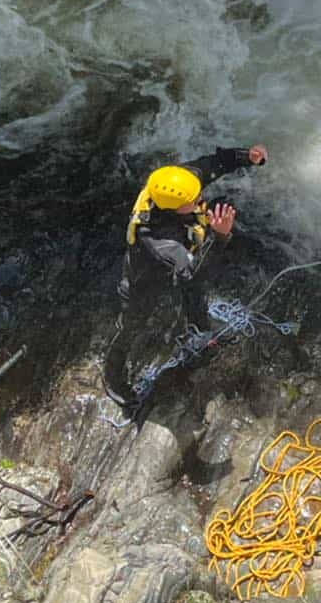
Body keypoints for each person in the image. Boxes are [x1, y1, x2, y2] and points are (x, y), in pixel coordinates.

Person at [101, 143, 267, 407]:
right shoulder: (157, 240)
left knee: (194, 298)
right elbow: (192, 274)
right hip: (145, 282)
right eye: (193, 200)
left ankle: (200, 330)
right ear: (175, 209)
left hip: (182, 260)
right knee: (133, 324)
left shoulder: (175, 182)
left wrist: (246, 156)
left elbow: (213, 163)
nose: (199, 197)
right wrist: (220, 236)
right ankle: (112, 377)